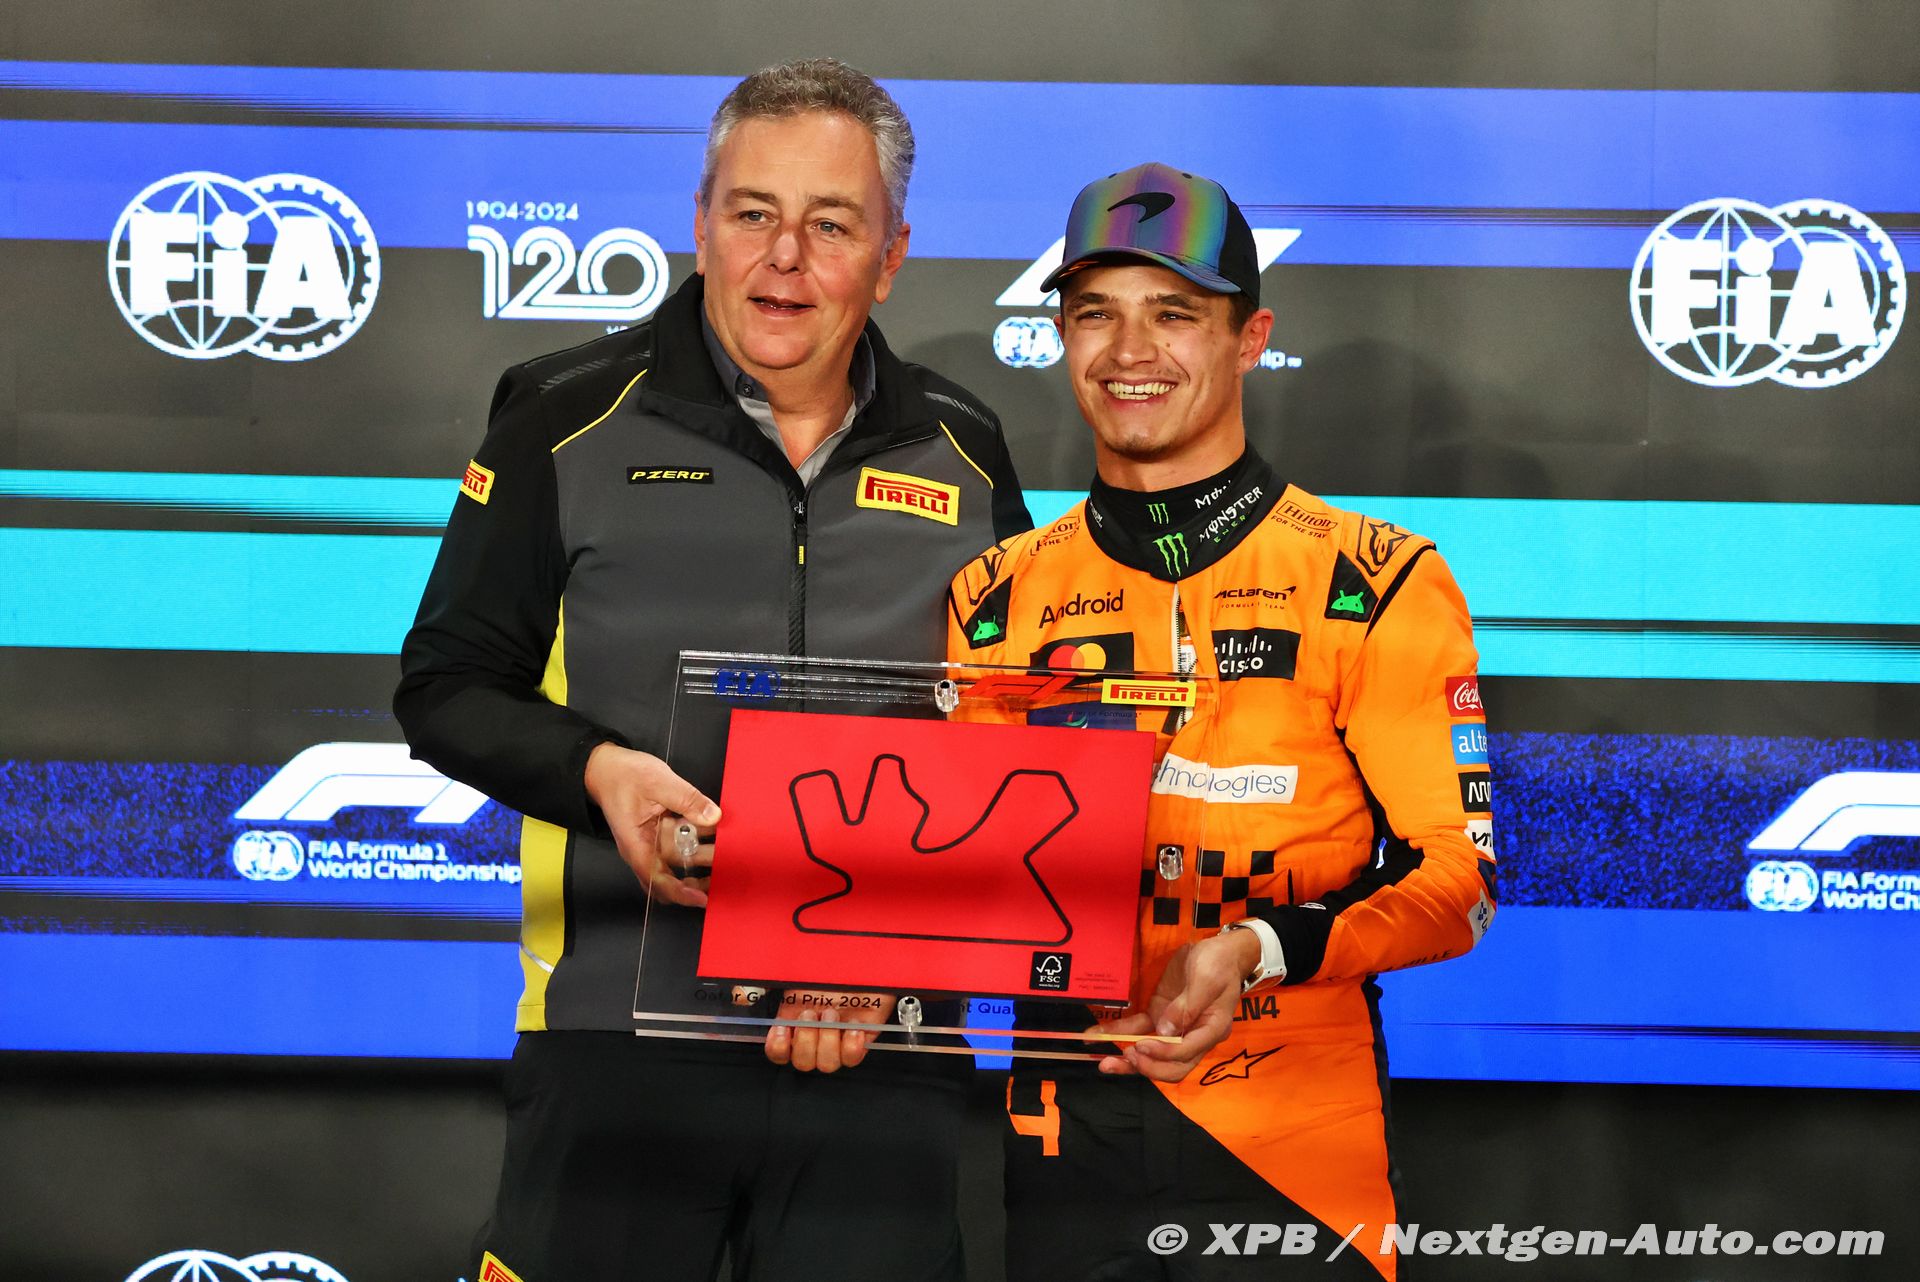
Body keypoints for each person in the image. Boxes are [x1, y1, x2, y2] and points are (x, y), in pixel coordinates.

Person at [396, 58, 1029, 1282]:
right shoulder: (560, 417)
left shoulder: (964, 447)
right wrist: (601, 772)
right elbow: (447, 685)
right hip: (616, 1046)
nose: (783, 258)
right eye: (752, 213)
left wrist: (894, 957)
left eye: (831, 224)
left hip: (881, 1045)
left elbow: (1005, 738)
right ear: (700, 225)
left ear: (891, 255)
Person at [946, 163, 1496, 1281]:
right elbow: (963, 874)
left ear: (1251, 339)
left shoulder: (1374, 577)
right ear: (1060, 336)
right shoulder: (994, 596)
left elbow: (1460, 879)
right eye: (1094, 313)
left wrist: (1257, 949)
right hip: (1063, 1131)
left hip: (1295, 1140)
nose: (1129, 350)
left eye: (1174, 314)